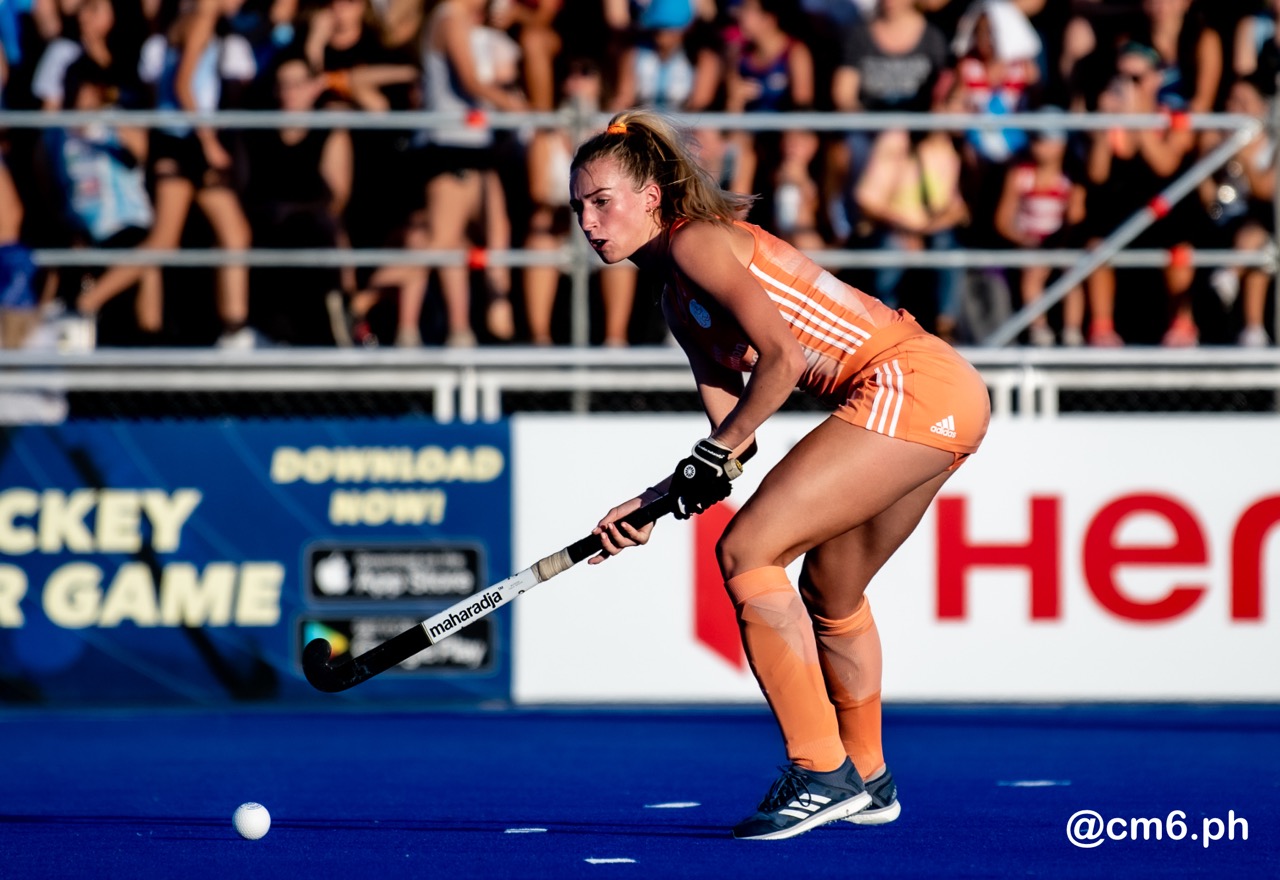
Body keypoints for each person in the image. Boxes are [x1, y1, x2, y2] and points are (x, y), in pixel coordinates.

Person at [572, 109, 990, 840]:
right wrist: (653, 503)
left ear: (652, 197)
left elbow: (784, 361)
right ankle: (866, 776)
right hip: (944, 392)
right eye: (578, 207)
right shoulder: (677, 300)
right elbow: (732, 448)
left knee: (746, 552)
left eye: (602, 201)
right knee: (832, 591)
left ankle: (820, 770)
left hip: (908, 382)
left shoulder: (696, 242)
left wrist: (711, 457)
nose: (588, 222)